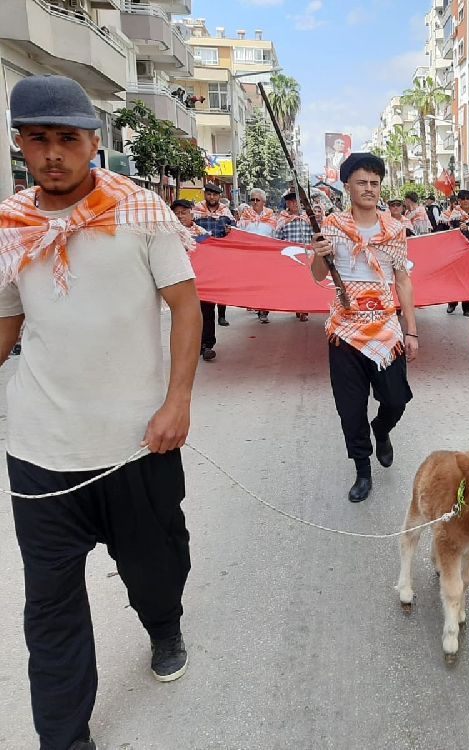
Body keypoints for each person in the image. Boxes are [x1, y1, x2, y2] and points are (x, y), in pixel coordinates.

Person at [0, 75, 201, 750]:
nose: (52, 153)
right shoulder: (11, 224)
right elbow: (6, 322)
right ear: (21, 145)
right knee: (49, 607)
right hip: (39, 450)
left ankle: (163, 623)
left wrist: (177, 402)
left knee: (157, 563)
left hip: (137, 444)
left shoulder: (142, 213)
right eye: (37, 139)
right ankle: (64, 738)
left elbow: (185, 306)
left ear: (93, 143)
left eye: (66, 138)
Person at [308, 153, 418, 503]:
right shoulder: (331, 226)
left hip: (385, 329)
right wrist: (318, 253)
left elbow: (403, 281)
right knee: (350, 409)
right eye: (362, 182)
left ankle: (381, 430)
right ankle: (362, 469)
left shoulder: (395, 229)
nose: (369, 189)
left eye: (374, 182)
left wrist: (411, 331)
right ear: (348, 186)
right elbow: (317, 276)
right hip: (344, 331)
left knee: (396, 400)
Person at [172, 200, 218, 361]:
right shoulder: (170, 233)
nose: (180, 216)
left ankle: (207, 345)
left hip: (202, 280)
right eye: (176, 213)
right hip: (181, 279)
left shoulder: (202, 233)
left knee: (206, 313)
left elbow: (211, 256)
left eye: (183, 213)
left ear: (191, 213)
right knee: (184, 314)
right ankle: (189, 346)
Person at [193, 183, 234, 327]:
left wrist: (230, 232)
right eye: (209, 194)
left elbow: (234, 229)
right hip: (202, 256)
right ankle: (205, 315)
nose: (212, 197)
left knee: (222, 286)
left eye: (215, 195)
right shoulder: (197, 210)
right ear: (205, 195)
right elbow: (190, 228)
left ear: (219, 196)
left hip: (220, 257)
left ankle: (222, 315)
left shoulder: (225, 211)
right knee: (205, 286)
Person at [274, 190, 315, 323]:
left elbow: (314, 237)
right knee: (295, 284)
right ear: (287, 203)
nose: (294, 203)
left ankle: (304, 310)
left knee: (306, 284)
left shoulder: (308, 218)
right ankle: (297, 307)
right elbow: (277, 239)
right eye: (291, 201)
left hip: (306, 257)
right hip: (290, 257)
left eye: (296, 201)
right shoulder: (283, 220)